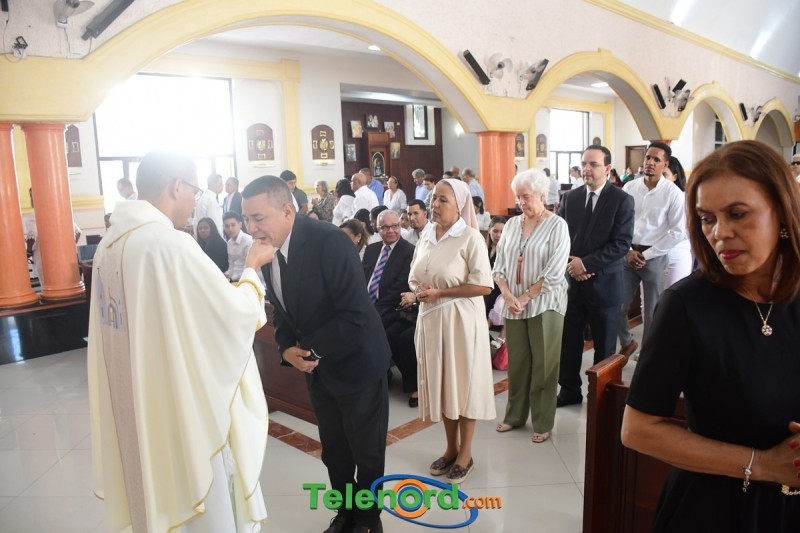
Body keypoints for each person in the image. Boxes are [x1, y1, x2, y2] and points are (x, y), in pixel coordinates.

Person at [88, 149, 272, 533]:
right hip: (176, 401)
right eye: (194, 191)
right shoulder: (169, 245)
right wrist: (252, 269)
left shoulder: (110, 244)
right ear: (177, 187)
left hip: (136, 395)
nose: (194, 203)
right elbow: (231, 315)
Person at [621, 140, 800, 532]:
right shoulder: (688, 305)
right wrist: (763, 464)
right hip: (717, 507)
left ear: (783, 213)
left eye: (737, 214)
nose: (720, 233)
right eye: (707, 219)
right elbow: (637, 430)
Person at [243, 176, 391, 533]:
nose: (251, 229)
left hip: (357, 364)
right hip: (320, 370)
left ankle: (368, 520)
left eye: (258, 218)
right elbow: (282, 312)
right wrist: (285, 348)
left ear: (287, 211)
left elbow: (355, 314)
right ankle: (345, 513)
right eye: (247, 219)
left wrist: (309, 351)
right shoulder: (269, 250)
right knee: (335, 452)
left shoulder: (329, 242)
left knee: (366, 453)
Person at [399, 178, 495, 485]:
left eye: (443, 199)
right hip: (430, 319)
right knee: (443, 386)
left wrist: (440, 293)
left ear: (460, 205)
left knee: (462, 385)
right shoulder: (428, 234)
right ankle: (450, 447)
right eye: (433, 199)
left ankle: (466, 454)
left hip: (460, 321)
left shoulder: (470, 238)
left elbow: (484, 286)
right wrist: (418, 289)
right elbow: (414, 274)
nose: (435, 205)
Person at [492, 170, 569, 443]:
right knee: (518, 363)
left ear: (542, 196)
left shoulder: (557, 225)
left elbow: (555, 271)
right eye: (518, 197)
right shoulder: (512, 224)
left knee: (544, 365)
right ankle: (514, 415)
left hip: (545, 304)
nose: (521, 202)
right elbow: (499, 265)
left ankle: (543, 421)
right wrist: (506, 294)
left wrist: (525, 298)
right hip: (513, 303)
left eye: (526, 197)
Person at [557, 144, 634, 407]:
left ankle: (602, 397)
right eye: (584, 164)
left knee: (604, 348)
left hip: (605, 284)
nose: (586, 169)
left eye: (593, 164)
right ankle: (569, 391)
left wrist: (586, 264)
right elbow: (560, 237)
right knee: (569, 343)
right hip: (573, 283)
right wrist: (573, 265)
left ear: (607, 168)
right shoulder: (571, 198)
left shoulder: (621, 200)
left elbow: (621, 244)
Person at [617, 142, 686, 359]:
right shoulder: (629, 188)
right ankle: (627, 342)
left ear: (665, 164)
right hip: (628, 255)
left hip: (654, 257)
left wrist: (646, 255)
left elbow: (677, 232)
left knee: (652, 310)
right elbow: (620, 222)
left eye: (657, 159)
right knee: (617, 304)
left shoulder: (673, 193)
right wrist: (628, 251)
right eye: (648, 158)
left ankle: (648, 353)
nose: (650, 162)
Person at [362, 210, 417, 407]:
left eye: (395, 226)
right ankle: (373, 375)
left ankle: (406, 381)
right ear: (377, 229)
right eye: (385, 227)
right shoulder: (371, 249)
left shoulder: (409, 251)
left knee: (384, 333)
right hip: (367, 305)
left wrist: (371, 311)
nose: (390, 231)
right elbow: (362, 279)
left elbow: (400, 287)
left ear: (400, 227)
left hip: (395, 307)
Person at [662, 156, 692, 289]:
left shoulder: (686, 198)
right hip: (652, 256)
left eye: (664, 175)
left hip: (678, 253)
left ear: (674, 176)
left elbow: (689, 230)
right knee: (650, 299)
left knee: (676, 294)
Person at [223, 211, 254, 282]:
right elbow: (231, 266)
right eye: (227, 226)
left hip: (246, 280)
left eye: (233, 225)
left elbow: (249, 268)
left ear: (240, 224)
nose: (230, 229)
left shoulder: (248, 241)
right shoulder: (229, 243)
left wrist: (231, 279)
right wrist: (224, 275)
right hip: (234, 279)